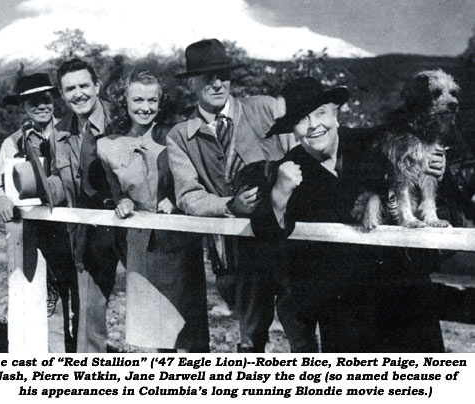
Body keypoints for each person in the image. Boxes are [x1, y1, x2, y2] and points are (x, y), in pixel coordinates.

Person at [251, 76, 446, 352]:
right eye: (302, 119)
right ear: (293, 130)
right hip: (347, 316)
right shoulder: (291, 167)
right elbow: (264, 231)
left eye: (320, 113)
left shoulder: (377, 142)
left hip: (407, 302)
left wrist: (439, 163)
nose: (314, 125)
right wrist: (279, 194)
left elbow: (430, 166)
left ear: (336, 114)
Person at [167, 38, 305, 352]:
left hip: (287, 242)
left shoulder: (266, 109)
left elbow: (300, 162)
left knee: (299, 329)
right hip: (233, 252)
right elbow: (189, 196)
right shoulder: (180, 135)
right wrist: (230, 205)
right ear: (191, 84)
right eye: (206, 78)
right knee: (250, 335)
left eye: (224, 75)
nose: (217, 84)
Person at [97, 68, 209, 352]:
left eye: (152, 100)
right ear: (125, 101)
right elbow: (116, 191)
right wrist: (122, 201)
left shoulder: (176, 136)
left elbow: (193, 181)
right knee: (154, 335)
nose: (145, 108)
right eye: (138, 100)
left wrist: (175, 197)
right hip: (141, 247)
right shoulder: (107, 147)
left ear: (161, 102)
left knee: (187, 335)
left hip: (180, 246)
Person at [15, 59, 122, 352]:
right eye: (70, 88)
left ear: (97, 86)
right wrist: (31, 182)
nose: (79, 94)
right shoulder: (60, 133)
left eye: (84, 85)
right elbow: (61, 185)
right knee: (88, 315)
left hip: (136, 229)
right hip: (91, 236)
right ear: (62, 95)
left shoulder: (123, 120)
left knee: (161, 311)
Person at [0, 73, 77, 352]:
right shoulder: (14, 143)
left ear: (55, 101)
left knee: (75, 298)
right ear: (23, 106)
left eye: (46, 99)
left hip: (69, 230)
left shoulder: (69, 135)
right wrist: (1, 198)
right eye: (32, 102)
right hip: (32, 234)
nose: (41, 106)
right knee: (40, 297)